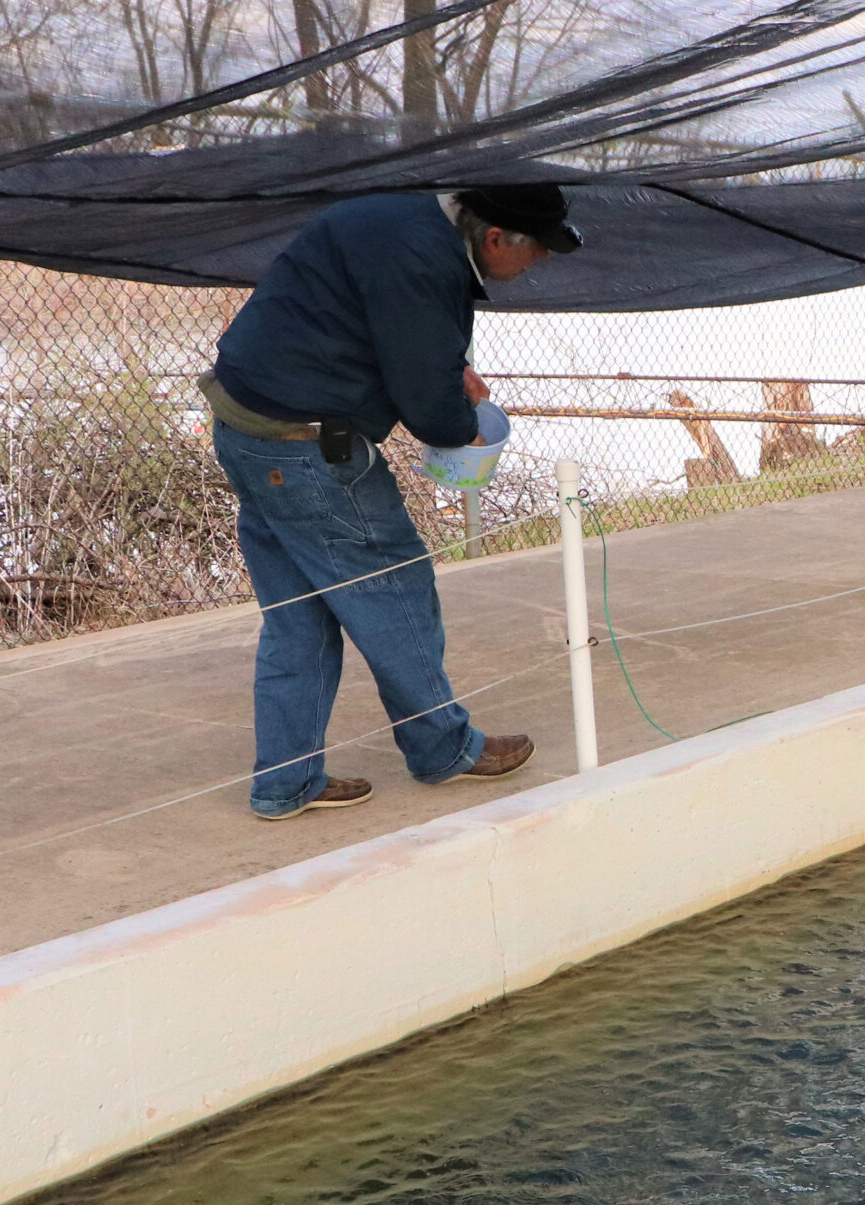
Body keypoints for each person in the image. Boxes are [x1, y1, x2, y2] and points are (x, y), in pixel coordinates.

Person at [200, 185, 582, 820]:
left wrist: (445, 366)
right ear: (494, 239)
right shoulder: (424, 259)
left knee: (301, 615)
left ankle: (284, 784)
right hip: (306, 449)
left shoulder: (398, 216)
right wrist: (469, 426)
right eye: (537, 251)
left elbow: (373, 323)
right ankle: (444, 750)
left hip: (246, 428)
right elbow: (432, 414)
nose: (537, 263)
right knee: (395, 591)